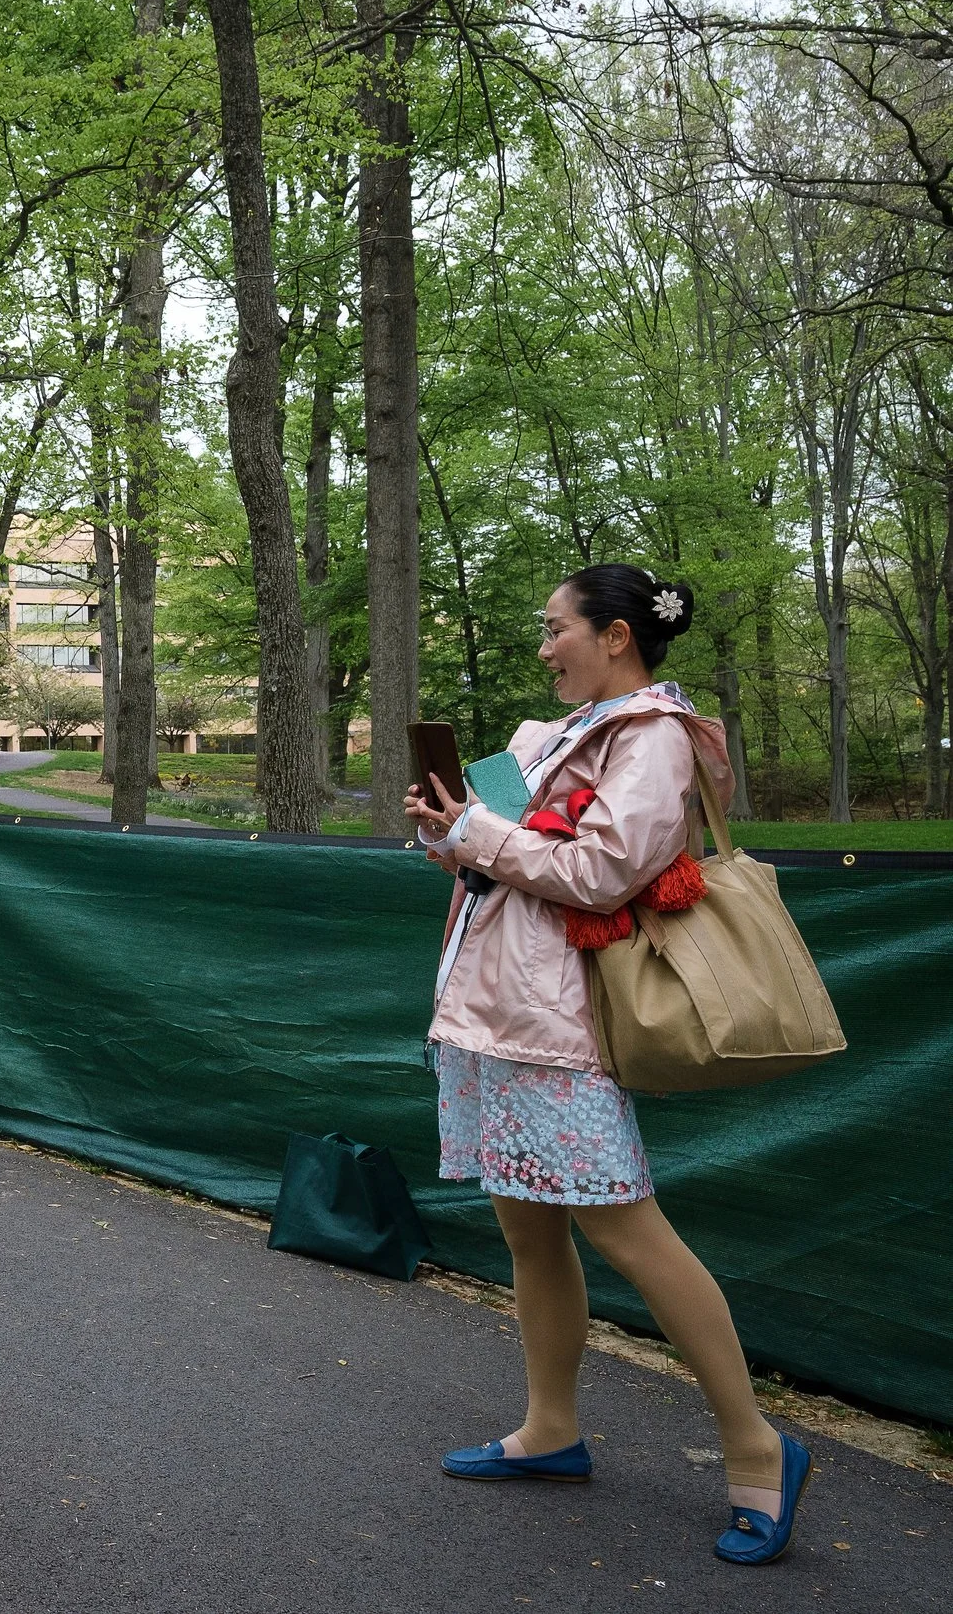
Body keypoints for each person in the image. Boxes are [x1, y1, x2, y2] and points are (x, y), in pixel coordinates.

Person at [406, 562, 806, 1567]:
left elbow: (596, 870)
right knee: (529, 1234)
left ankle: (758, 1446)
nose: (543, 648)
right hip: (488, 1006)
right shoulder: (543, 739)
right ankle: (549, 1427)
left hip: (558, 1020)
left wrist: (477, 833)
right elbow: (501, 856)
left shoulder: (653, 736)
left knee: (627, 1228)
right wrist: (447, 836)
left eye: (555, 629)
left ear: (615, 634)